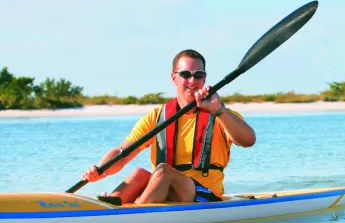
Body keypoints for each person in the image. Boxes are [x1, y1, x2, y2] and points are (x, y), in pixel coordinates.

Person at [82, 49, 256, 205]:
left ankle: (132, 216)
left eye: (198, 75)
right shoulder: (157, 117)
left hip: (206, 196)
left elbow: (248, 140)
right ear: (174, 78)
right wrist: (100, 170)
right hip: (165, 190)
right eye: (186, 74)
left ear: (205, 78)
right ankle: (109, 208)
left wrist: (219, 110)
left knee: (164, 172)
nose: (192, 80)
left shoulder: (220, 113)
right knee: (140, 174)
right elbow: (122, 152)